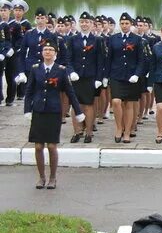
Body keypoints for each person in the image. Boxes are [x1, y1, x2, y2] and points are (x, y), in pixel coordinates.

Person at [24, 38, 85, 189]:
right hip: (39, 110)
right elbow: (29, 91)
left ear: (56, 54)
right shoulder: (35, 68)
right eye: (45, 50)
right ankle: (41, 177)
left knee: (51, 146)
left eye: (51, 50)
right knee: (38, 146)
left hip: (53, 111)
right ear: (42, 53)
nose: (48, 52)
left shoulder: (61, 70)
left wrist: (78, 111)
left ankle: (52, 177)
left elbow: (70, 93)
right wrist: (27, 110)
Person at [105, 12, 145, 143]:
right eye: (122, 23)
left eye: (127, 23)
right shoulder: (113, 38)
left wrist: (137, 74)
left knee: (129, 105)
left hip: (131, 77)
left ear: (130, 24)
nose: (124, 25)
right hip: (116, 76)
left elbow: (141, 60)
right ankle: (118, 127)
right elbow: (109, 58)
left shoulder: (137, 39)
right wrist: (106, 76)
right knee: (116, 102)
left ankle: (127, 132)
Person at [65, 12, 104, 143]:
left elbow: (100, 61)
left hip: (90, 77)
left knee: (88, 105)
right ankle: (77, 131)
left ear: (92, 24)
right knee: (75, 105)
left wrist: (99, 78)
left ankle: (89, 132)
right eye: (82, 22)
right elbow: (68, 59)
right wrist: (71, 72)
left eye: (87, 22)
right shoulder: (72, 39)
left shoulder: (98, 40)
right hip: (76, 77)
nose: (84, 24)